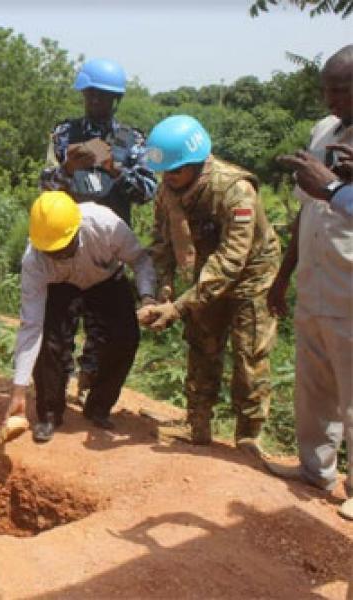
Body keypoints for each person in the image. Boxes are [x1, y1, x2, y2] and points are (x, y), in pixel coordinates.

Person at [138, 115, 281, 457]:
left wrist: (180, 305)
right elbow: (161, 243)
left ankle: (248, 437)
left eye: (174, 171)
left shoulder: (235, 190)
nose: (168, 178)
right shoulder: (168, 190)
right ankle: (197, 424)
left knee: (249, 354)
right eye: (164, 172)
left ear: (196, 162)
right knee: (201, 345)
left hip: (251, 276)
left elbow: (232, 260)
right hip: (205, 273)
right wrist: (165, 291)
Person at [265, 44, 353, 521]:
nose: (330, 99)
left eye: (340, 89)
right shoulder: (323, 132)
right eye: (326, 89)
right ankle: (314, 469)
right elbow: (307, 207)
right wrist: (283, 276)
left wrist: (341, 188)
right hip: (317, 281)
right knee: (313, 384)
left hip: (351, 286)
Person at [39, 58, 157, 405]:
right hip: (67, 245)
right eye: (91, 95)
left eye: (104, 97)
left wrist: (114, 168)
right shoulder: (63, 134)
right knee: (57, 333)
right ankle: (53, 403)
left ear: (115, 100)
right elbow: (45, 186)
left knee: (114, 334)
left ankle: (95, 399)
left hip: (112, 246)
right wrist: (66, 168)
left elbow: (148, 191)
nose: (96, 103)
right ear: (84, 95)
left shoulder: (133, 139)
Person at [5, 191, 156, 443]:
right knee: (49, 342)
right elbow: (30, 327)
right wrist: (18, 391)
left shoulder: (106, 224)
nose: (59, 256)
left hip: (106, 279)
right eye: (52, 252)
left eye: (65, 248)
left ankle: (99, 405)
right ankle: (50, 413)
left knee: (124, 338)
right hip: (61, 286)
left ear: (77, 229)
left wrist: (148, 296)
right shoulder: (35, 262)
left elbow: (140, 260)